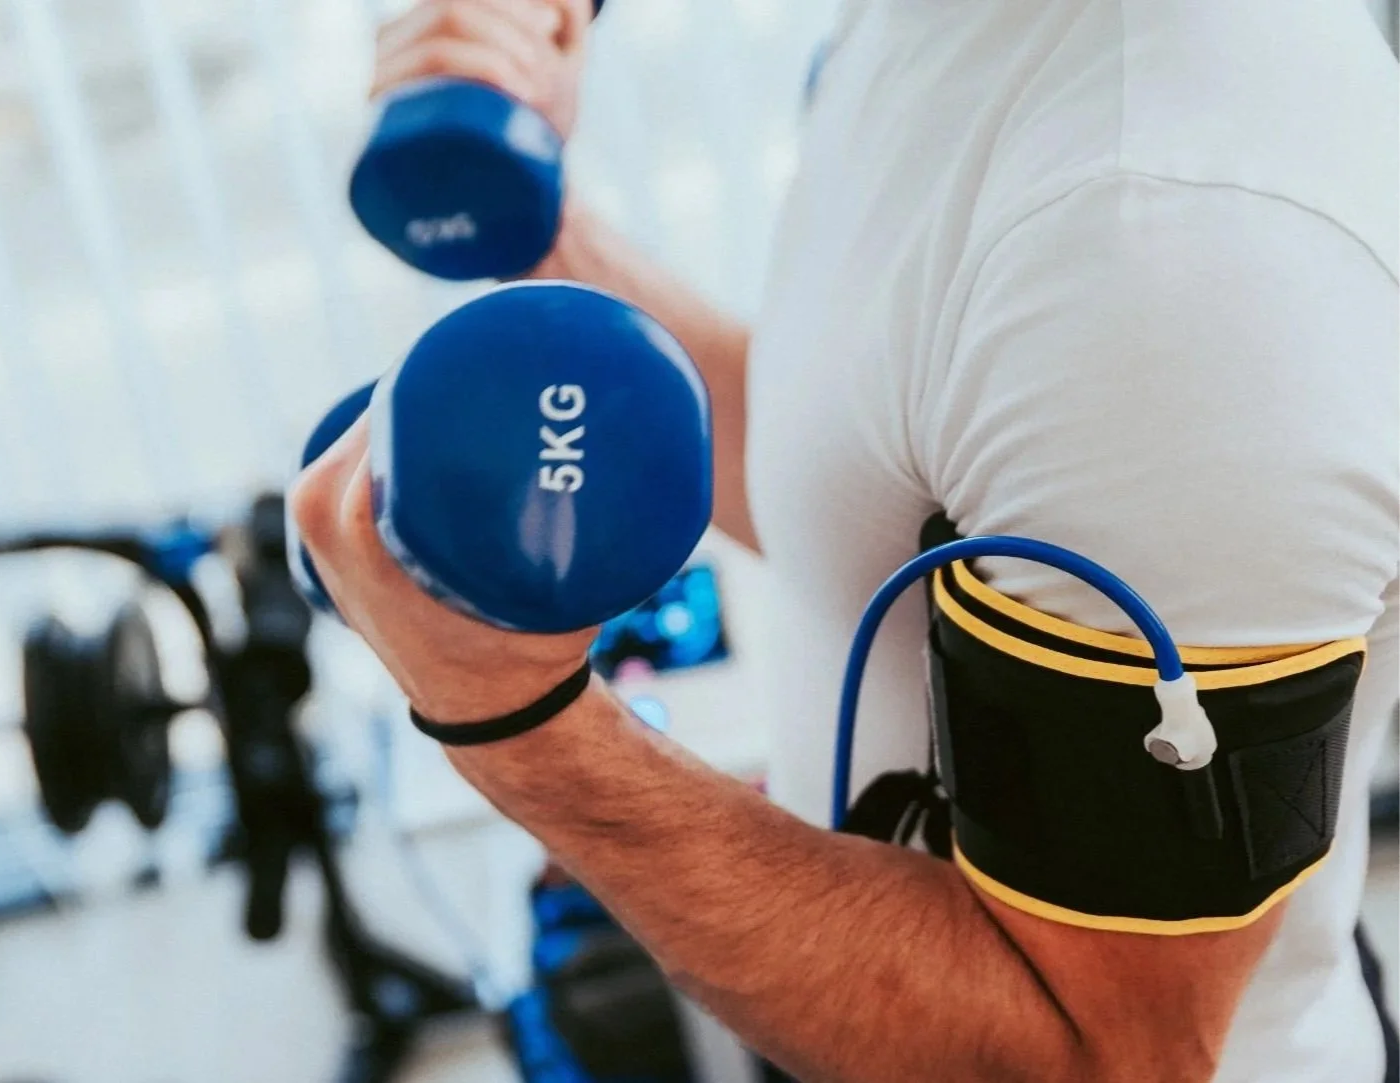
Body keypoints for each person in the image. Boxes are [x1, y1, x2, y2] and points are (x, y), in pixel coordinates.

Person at [293, 1, 1399, 1079]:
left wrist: (519, 722)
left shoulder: (1172, 247)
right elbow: (847, 475)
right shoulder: (933, 32)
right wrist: (544, 237)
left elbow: (1098, 1056)